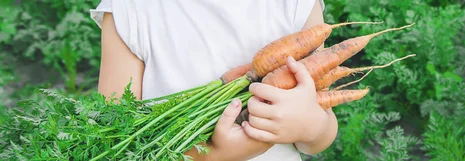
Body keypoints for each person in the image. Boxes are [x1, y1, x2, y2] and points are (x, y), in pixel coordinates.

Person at [89, 0, 338, 160]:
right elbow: (114, 143)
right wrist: (212, 156)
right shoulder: (131, 9)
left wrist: (311, 126)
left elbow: (321, 132)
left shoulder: (294, 4)